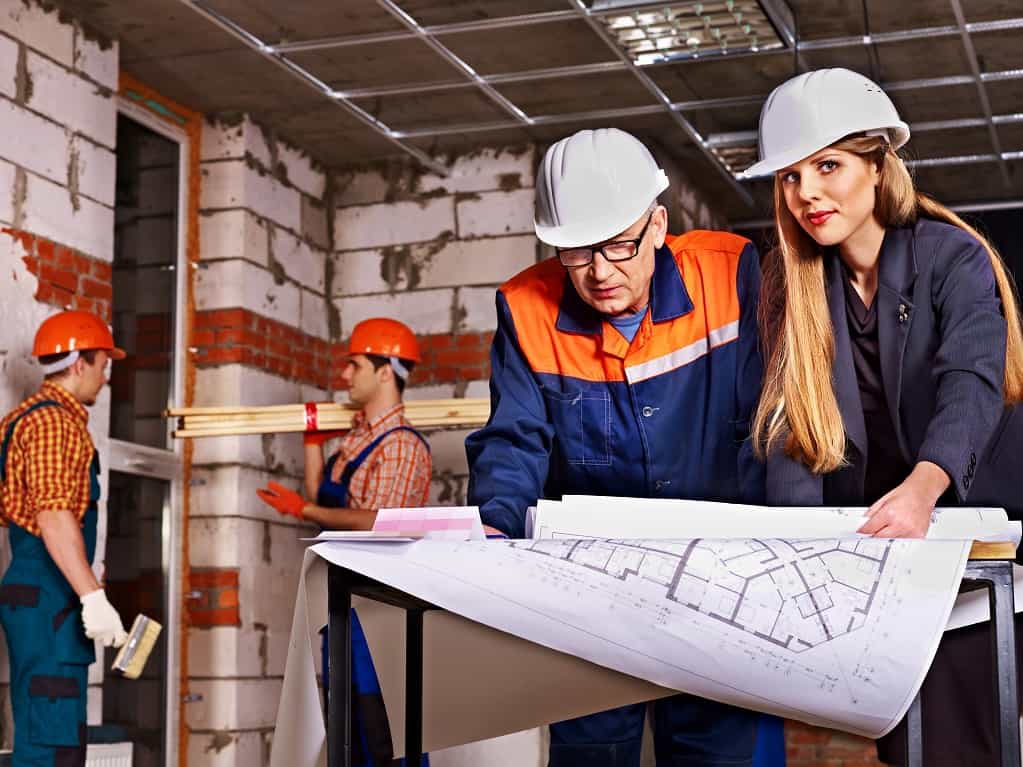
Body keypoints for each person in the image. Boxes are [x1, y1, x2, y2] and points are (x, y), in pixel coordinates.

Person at [745, 67, 1023, 765]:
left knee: (975, 735)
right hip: (879, 564)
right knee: (905, 745)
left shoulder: (949, 257)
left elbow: (971, 383)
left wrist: (924, 487)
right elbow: (791, 430)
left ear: (877, 165)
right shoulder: (800, 288)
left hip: (965, 541)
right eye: (788, 176)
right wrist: (794, 551)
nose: (805, 192)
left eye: (827, 165)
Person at [466, 127, 765, 767]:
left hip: (715, 580)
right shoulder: (526, 309)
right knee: (590, 749)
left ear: (658, 225)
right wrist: (492, 532)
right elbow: (514, 440)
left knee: (718, 750)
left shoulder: (728, 272)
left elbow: (767, 423)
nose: (599, 272)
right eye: (575, 252)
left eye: (619, 246)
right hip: (590, 586)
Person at [257, 317, 431, 767]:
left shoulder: (402, 446)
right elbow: (323, 498)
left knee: (386, 734)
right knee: (347, 736)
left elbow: (376, 521)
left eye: (354, 365)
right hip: (344, 606)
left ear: (385, 372)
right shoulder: (356, 438)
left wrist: (305, 512)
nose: (344, 376)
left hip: (382, 613)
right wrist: (312, 444)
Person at [0, 310, 130, 767]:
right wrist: (90, 595)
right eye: (102, 365)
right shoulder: (53, 422)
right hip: (48, 598)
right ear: (79, 363)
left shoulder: (35, 419)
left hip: (47, 596)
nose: (104, 376)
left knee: (56, 738)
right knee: (49, 748)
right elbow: (53, 515)